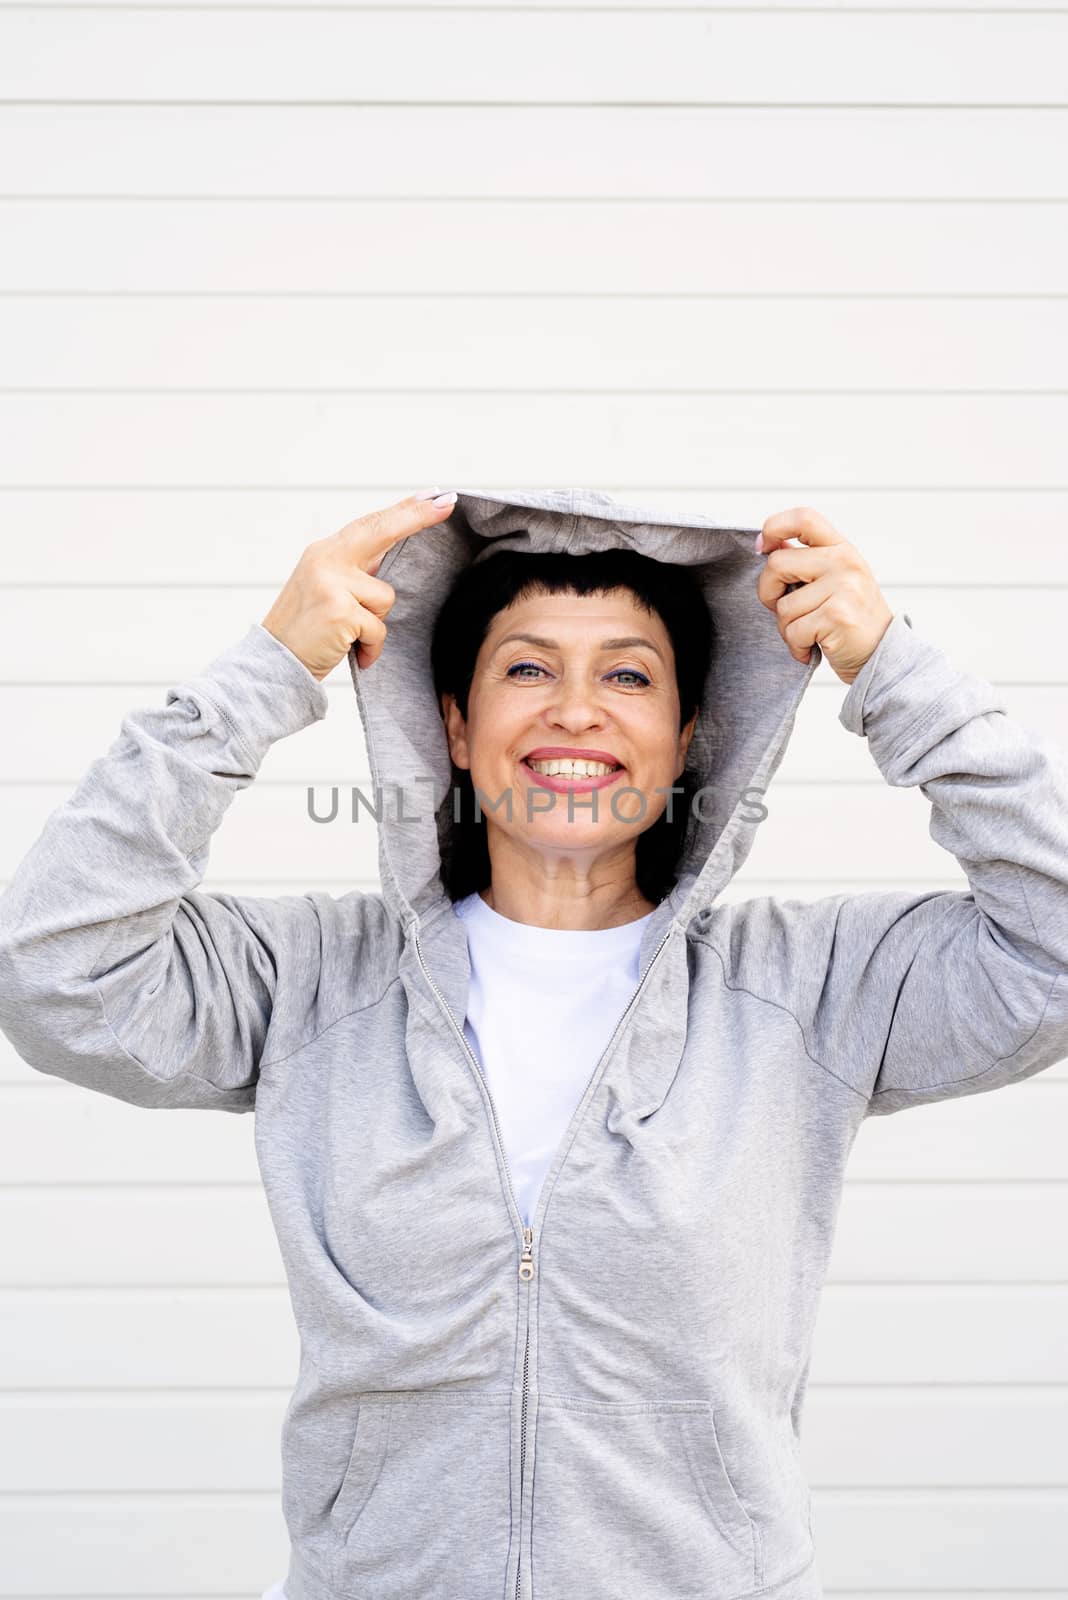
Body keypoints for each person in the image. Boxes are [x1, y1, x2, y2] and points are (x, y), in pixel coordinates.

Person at [0, 486, 1066, 1600]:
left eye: (628, 674)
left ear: (689, 735)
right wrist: (265, 671)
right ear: (454, 726)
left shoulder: (808, 986)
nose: (575, 710)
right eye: (525, 669)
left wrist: (894, 669)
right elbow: (53, 968)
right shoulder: (308, 980)